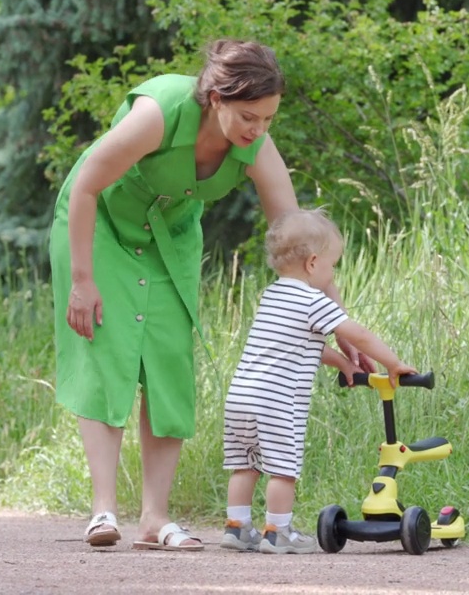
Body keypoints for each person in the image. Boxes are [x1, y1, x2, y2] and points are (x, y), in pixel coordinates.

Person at [50, 39, 374, 551]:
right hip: (101, 231)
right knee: (108, 354)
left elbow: (300, 245)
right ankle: (102, 512)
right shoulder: (158, 114)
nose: (258, 130)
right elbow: (88, 183)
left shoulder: (256, 146)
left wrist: (339, 324)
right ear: (216, 98)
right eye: (249, 116)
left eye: (269, 119)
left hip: (169, 241)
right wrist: (82, 280)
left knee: (167, 363)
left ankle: (155, 520)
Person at [219, 208, 417, 554]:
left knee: (245, 464)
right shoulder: (313, 301)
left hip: (240, 398)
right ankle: (278, 532)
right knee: (283, 469)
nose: (332, 274)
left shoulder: (272, 296)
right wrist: (394, 363)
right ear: (312, 263)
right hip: (276, 401)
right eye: (332, 265)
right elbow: (358, 334)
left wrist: (342, 362)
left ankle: (237, 528)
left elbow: (304, 343)